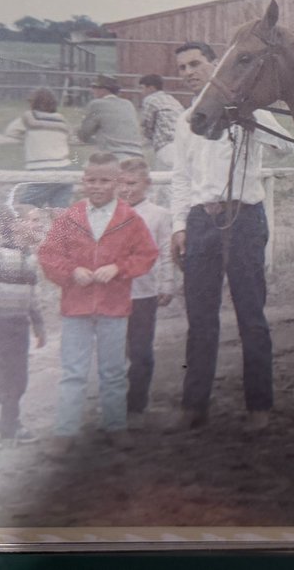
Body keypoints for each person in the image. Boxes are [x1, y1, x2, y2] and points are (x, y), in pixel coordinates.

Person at [170, 41, 294, 432]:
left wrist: (248, 119)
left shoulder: (249, 109)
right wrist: (178, 226)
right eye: (182, 67)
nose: (189, 71)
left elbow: (285, 148)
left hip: (243, 218)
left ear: (215, 64)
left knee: (250, 315)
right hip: (200, 221)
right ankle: (194, 406)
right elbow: (181, 177)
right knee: (200, 318)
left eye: (196, 63)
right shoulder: (186, 118)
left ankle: (259, 406)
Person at [38, 152, 158, 449]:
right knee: (73, 371)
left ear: (117, 182)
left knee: (113, 370)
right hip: (75, 307)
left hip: (114, 306)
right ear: (83, 181)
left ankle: (115, 425)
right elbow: (49, 254)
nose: (98, 186)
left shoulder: (130, 219)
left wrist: (118, 269)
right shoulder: (70, 217)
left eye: (105, 180)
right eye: (91, 180)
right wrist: (71, 271)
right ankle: (65, 431)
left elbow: (146, 254)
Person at [0, 204, 47, 450]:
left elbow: (33, 296)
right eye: (34, 220)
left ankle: (10, 423)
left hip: (19, 325)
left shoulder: (31, 257)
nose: (40, 225)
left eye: (40, 221)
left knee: (18, 378)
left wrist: (39, 325)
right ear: (15, 224)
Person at [118, 157, 175, 424]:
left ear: (147, 184)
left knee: (141, 351)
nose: (126, 189)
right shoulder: (108, 212)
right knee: (114, 351)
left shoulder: (159, 215)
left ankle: (136, 405)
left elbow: (165, 251)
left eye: (132, 183)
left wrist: (166, 283)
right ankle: (113, 403)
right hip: (112, 296)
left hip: (144, 293)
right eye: (121, 183)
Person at [2, 87, 74, 208]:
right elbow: (70, 135)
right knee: (59, 211)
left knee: (26, 208)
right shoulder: (61, 119)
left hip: (43, 169)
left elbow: (11, 131)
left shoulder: (30, 117)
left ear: (33, 103)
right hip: (65, 168)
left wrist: (27, 135)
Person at [78, 75, 144, 159]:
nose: (92, 90)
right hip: (137, 155)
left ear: (103, 90)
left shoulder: (96, 104)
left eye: (94, 87)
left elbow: (84, 134)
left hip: (113, 156)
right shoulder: (128, 104)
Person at [138, 73, 183, 170]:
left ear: (151, 88)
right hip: (181, 145)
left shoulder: (150, 99)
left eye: (142, 88)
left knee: (161, 182)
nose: (141, 92)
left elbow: (146, 125)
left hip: (165, 146)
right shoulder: (173, 99)